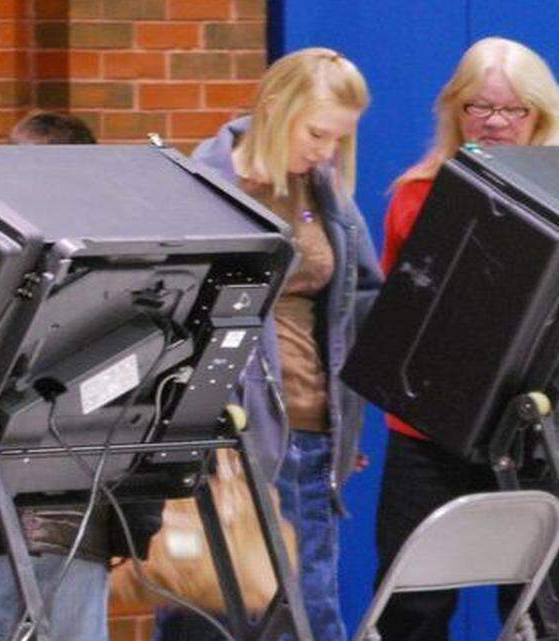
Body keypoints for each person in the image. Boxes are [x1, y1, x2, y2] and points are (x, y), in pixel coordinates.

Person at [155, 47, 383, 641]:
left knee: (309, 609)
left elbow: (359, 305)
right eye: (316, 133)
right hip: (232, 438)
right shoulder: (204, 184)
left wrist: (348, 423)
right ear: (276, 108)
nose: (326, 151)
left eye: (339, 139)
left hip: (312, 433)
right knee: (220, 615)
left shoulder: (325, 191)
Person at [374, 37, 559, 641]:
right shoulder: (417, 193)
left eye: (512, 110)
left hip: (537, 425)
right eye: (477, 107)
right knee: (412, 605)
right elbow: (398, 314)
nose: (493, 122)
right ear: (454, 112)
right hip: (430, 428)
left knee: (543, 611)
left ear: (540, 115)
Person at [0, 109, 162, 641]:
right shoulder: (117, 271)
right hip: (2, 508)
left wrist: (135, 520)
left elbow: (143, 392)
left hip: (70, 508)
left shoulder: (114, 268)